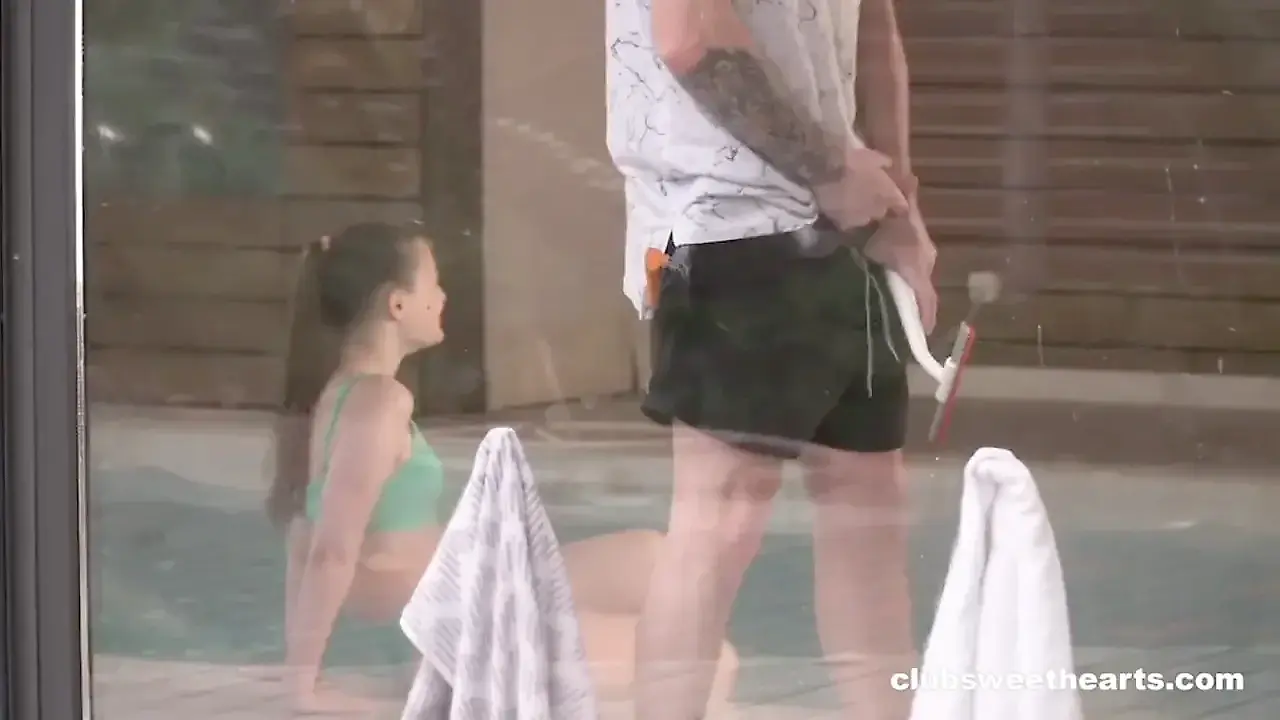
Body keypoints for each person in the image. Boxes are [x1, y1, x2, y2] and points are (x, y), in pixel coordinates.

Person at [606, 0, 939, 717]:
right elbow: (688, 36)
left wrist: (899, 207)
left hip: (845, 217)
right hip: (718, 220)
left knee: (867, 508)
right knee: (722, 513)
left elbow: (874, 26)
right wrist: (832, 169)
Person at [267, 222, 738, 713]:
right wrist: (303, 685)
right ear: (398, 305)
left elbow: (306, 537)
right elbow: (328, 551)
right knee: (709, 662)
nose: (443, 297)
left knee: (653, 557)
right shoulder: (378, 404)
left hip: (480, 587)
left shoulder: (347, 394)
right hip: (464, 625)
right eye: (433, 284)